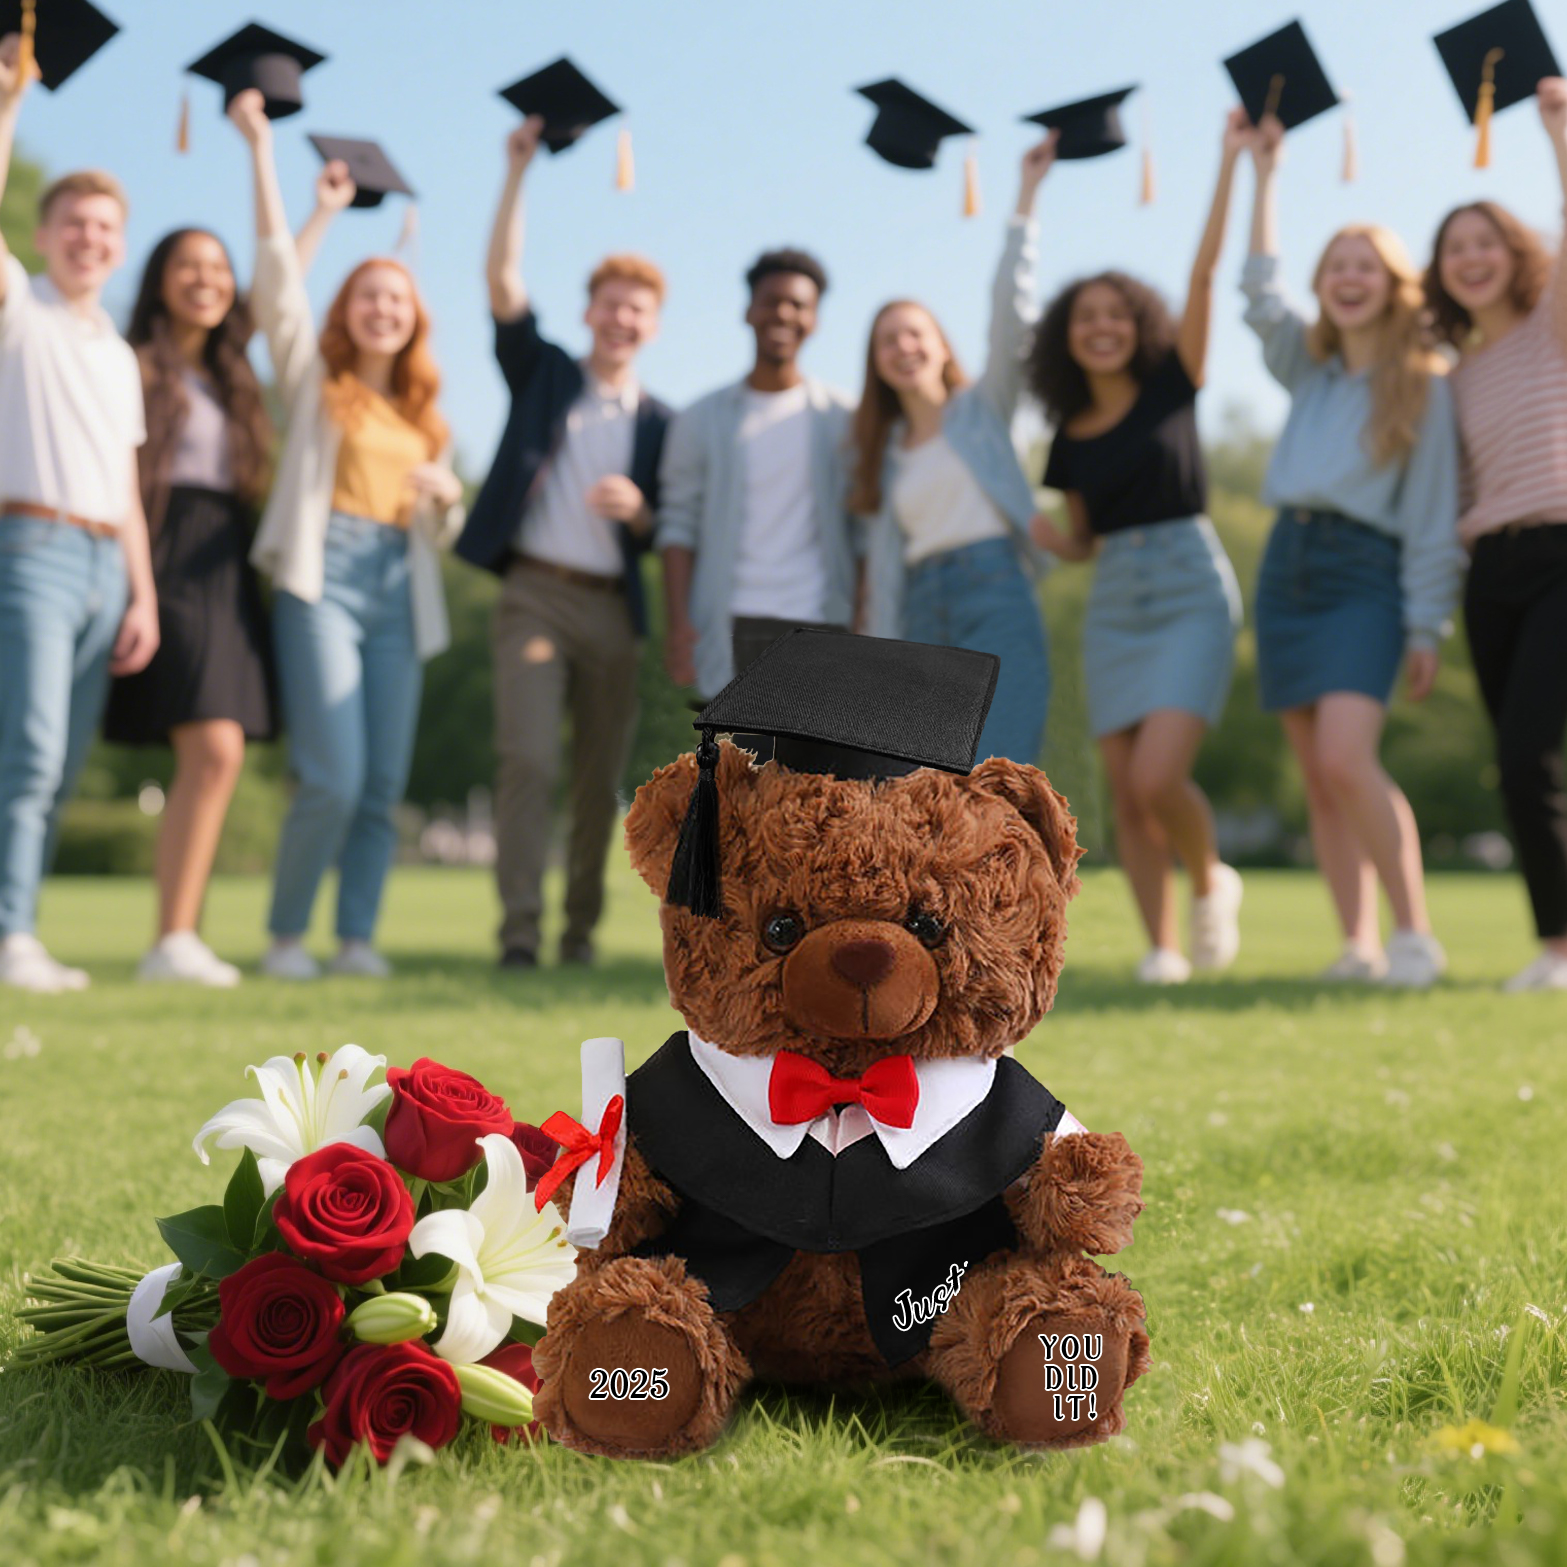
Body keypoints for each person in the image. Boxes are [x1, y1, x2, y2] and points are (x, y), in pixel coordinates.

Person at [228, 88, 465, 981]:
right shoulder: (316, 387)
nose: (381, 308)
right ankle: (288, 936)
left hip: (399, 593)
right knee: (332, 772)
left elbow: (442, 527)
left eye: (395, 298)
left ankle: (355, 936)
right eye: (367, 295)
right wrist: (311, 201)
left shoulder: (425, 420)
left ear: (414, 320)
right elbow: (276, 292)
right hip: (323, 576)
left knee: (379, 784)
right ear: (346, 311)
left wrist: (445, 493)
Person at [1242, 112, 1462, 989]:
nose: (1346, 279)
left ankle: (1413, 935)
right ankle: (1355, 943)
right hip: (1285, 565)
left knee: (1344, 755)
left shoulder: (1424, 387)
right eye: (1334, 267)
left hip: (1364, 571)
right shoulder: (1310, 369)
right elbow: (1258, 293)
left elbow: (1434, 512)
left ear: (1394, 282)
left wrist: (1424, 623)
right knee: (1315, 772)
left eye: (1363, 266)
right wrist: (1264, 173)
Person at [1028, 112, 1249, 985]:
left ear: (1138, 323)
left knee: (1160, 777)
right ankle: (1161, 947)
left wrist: (1229, 161)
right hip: (1116, 593)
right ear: (1067, 336)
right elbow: (1083, 539)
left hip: (1189, 583)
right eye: (1087, 317)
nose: (1103, 327)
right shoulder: (1068, 435)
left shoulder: (1171, 384)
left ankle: (1211, 876)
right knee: (1123, 791)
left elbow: (1202, 271)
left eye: (1117, 313)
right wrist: (1058, 540)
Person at [455, 115, 671, 971]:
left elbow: (670, 528)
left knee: (596, 783)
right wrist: (516, 172)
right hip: (534, 595)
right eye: (610, 304)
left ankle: (578, 931)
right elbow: (501, 278)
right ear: (589, 312)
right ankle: (518, 933)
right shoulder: (545, 373)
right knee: (527, 759)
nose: (621, 319)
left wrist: (640, 514)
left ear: (653, 326)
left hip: (612, 611)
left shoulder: (662, 424)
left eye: (638, 310)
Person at [0, 33, 158, 994]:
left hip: (106, 565)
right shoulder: (20, 311)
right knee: (28, 748)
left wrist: (138, 592)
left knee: (57, 766)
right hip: (31, 544)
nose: (90, 238)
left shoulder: (116, 348)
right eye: (74, 223)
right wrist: (12, 103)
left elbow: (127, 482)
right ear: (46, 231)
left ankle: (18, 926)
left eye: (106, 228)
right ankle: (10, 931)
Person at [103, 228, 276, 987]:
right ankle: (171, 936)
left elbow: (281, 284)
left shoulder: (232, 374)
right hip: (162, 554)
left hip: (226, 562)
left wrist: (322, 209)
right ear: (159, 279)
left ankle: (179, 935)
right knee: (213, 748)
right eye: (187, 265)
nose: (204, 279)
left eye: (218, 268)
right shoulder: (131, 364)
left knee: (217, 755)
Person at [1427, 76, 1567, 992]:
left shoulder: (1553, 321)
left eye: (1484, 242)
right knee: (1519, 767)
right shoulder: (1450, 372)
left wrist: (1557, 130)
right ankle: (1555, 944)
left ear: (1515, 252)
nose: (1470, 258)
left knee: (1530, 749)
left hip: (1563, 546)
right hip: (1494, 571)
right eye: (1453, 249)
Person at [850, 140, 1053, 766]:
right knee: (922, 782)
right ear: (876, 364)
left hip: (993, 591)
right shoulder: (880, 453)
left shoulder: (983, 409)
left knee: (998, 770)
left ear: (941, 344)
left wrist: (1024, 202)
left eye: (915, 332)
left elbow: (1010, 318)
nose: (903, 345)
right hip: (918, 609)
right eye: (888, 339)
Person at [658, 246, 854, 699]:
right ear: (749, 311)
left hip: (823, 625)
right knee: (742, 769)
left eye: (799, 305)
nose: (783, 313)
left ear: (815, 319)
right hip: (731, 627)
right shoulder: (699, 419)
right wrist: (679, 626)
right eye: (771, 301)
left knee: (823, 771)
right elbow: (677, 525)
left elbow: (862, 527)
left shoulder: (844, 419)